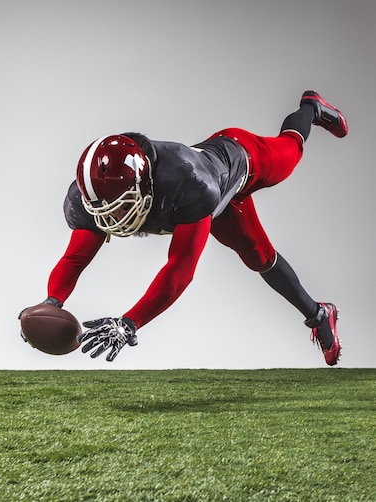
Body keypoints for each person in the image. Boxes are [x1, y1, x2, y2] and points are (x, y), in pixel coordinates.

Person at [28, 90, 347, 365]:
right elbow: (74, 259)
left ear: (144, 186)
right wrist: (51, 302)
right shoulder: (95, 194)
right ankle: (320, 315)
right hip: (209, 202)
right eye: (104, 209)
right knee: (259, 257)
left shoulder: (190, 185)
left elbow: (180, 268)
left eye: (121, 206)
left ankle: (311, 107)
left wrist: (130, 323)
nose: (113, 219)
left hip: (241, 160)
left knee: (290, 149)